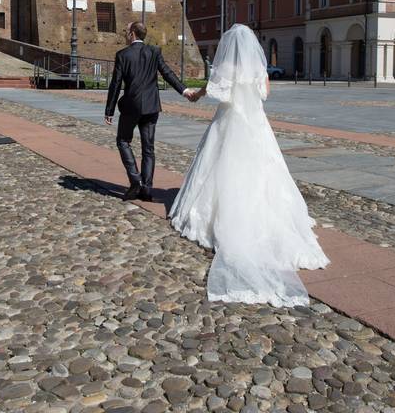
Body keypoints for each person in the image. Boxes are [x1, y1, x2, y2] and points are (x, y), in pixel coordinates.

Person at [169, 24, 329, 307]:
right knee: (265, 169)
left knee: (218, 165)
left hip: (230, 122)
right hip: (255, 124)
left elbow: (217, 91)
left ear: (229, 45)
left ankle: (224, 216)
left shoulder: (226, 65)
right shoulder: (257, 66)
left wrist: (197, 94)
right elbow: (265, 93)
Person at [104, 22, 195, 200]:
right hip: (152, 107)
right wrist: (184, 91)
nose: (124, 34)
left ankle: (135, 180)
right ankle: (146, 188)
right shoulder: (154, 52)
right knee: (148, 148)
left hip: (131, 106)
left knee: (123, 141)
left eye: (126, 31)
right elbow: (167, 73)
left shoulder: (123, 55)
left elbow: (116, 84)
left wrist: (109, 110)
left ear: (132, 34)